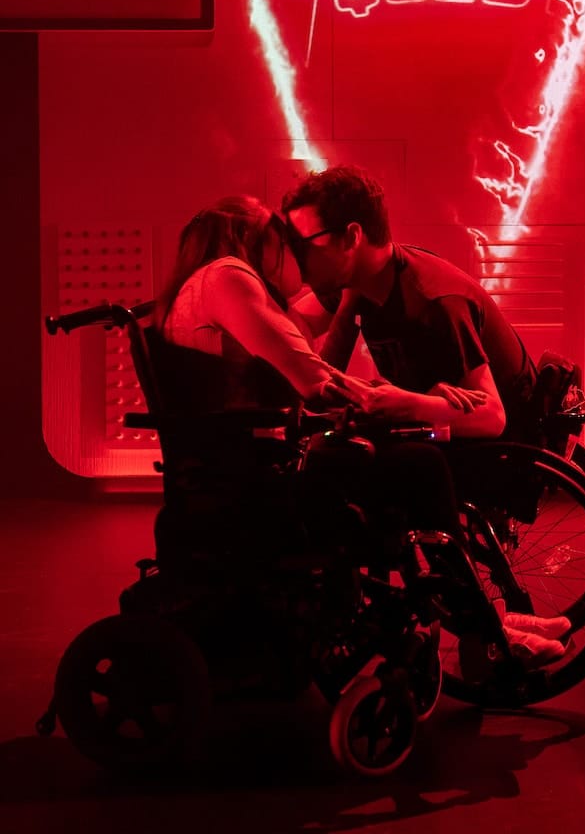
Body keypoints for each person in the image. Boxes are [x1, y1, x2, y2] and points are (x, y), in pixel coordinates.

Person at [155, 194, 561, 669]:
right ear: (252, 238)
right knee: (420, 464)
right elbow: (314, 378)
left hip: (239, 467)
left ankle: (481, 617)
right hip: (257, 481)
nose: (291, 252)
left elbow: (303, 362)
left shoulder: (202, 283)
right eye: (279, 238)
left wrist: (387, 395)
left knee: (407, 455)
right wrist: (414, 403)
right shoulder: (229, 276)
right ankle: (483, 630)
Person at [281, 166, 571, 659]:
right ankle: (485, 616)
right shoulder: (366, 285)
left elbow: (493, 417)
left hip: (502, 443)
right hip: (441, 417)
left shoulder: (433, 300)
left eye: (306, 241)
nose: (297, 255)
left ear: (351, 237)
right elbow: (305, 343)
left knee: (397, 472)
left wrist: (406, 401)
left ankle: (479, 626)